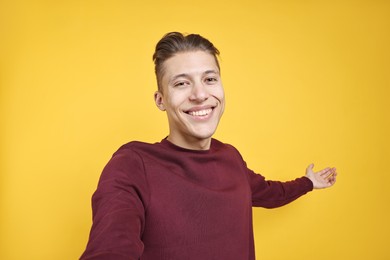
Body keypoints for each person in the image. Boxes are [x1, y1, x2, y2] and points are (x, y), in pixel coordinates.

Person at [80, 32, 337, 260]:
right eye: (181, 83)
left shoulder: (230, 157)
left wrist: (308, 183)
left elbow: (269, 192)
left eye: (210, 79)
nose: (200, 94)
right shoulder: (133, 163)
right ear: (160, 100)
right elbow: (111, 244)